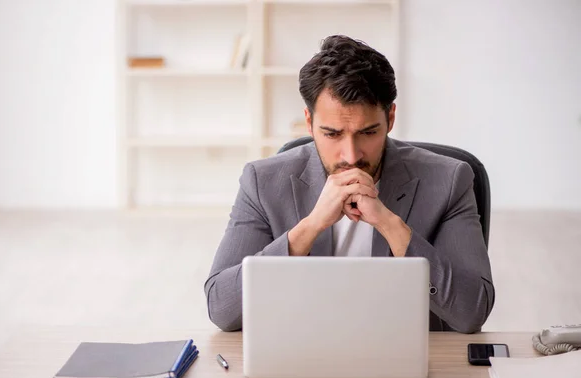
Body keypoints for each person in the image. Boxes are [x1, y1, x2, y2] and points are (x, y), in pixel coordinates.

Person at [204, 35, 495, 334]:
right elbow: (222, 309)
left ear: (390, 118)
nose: (351, 155)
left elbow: (471, 312)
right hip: (300, 355)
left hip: (403, 361)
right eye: (332, 134)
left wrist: (389, 224)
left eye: (368, 133)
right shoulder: (262, 182)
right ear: (309, 122)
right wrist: (311, 226)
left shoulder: (449, 180)